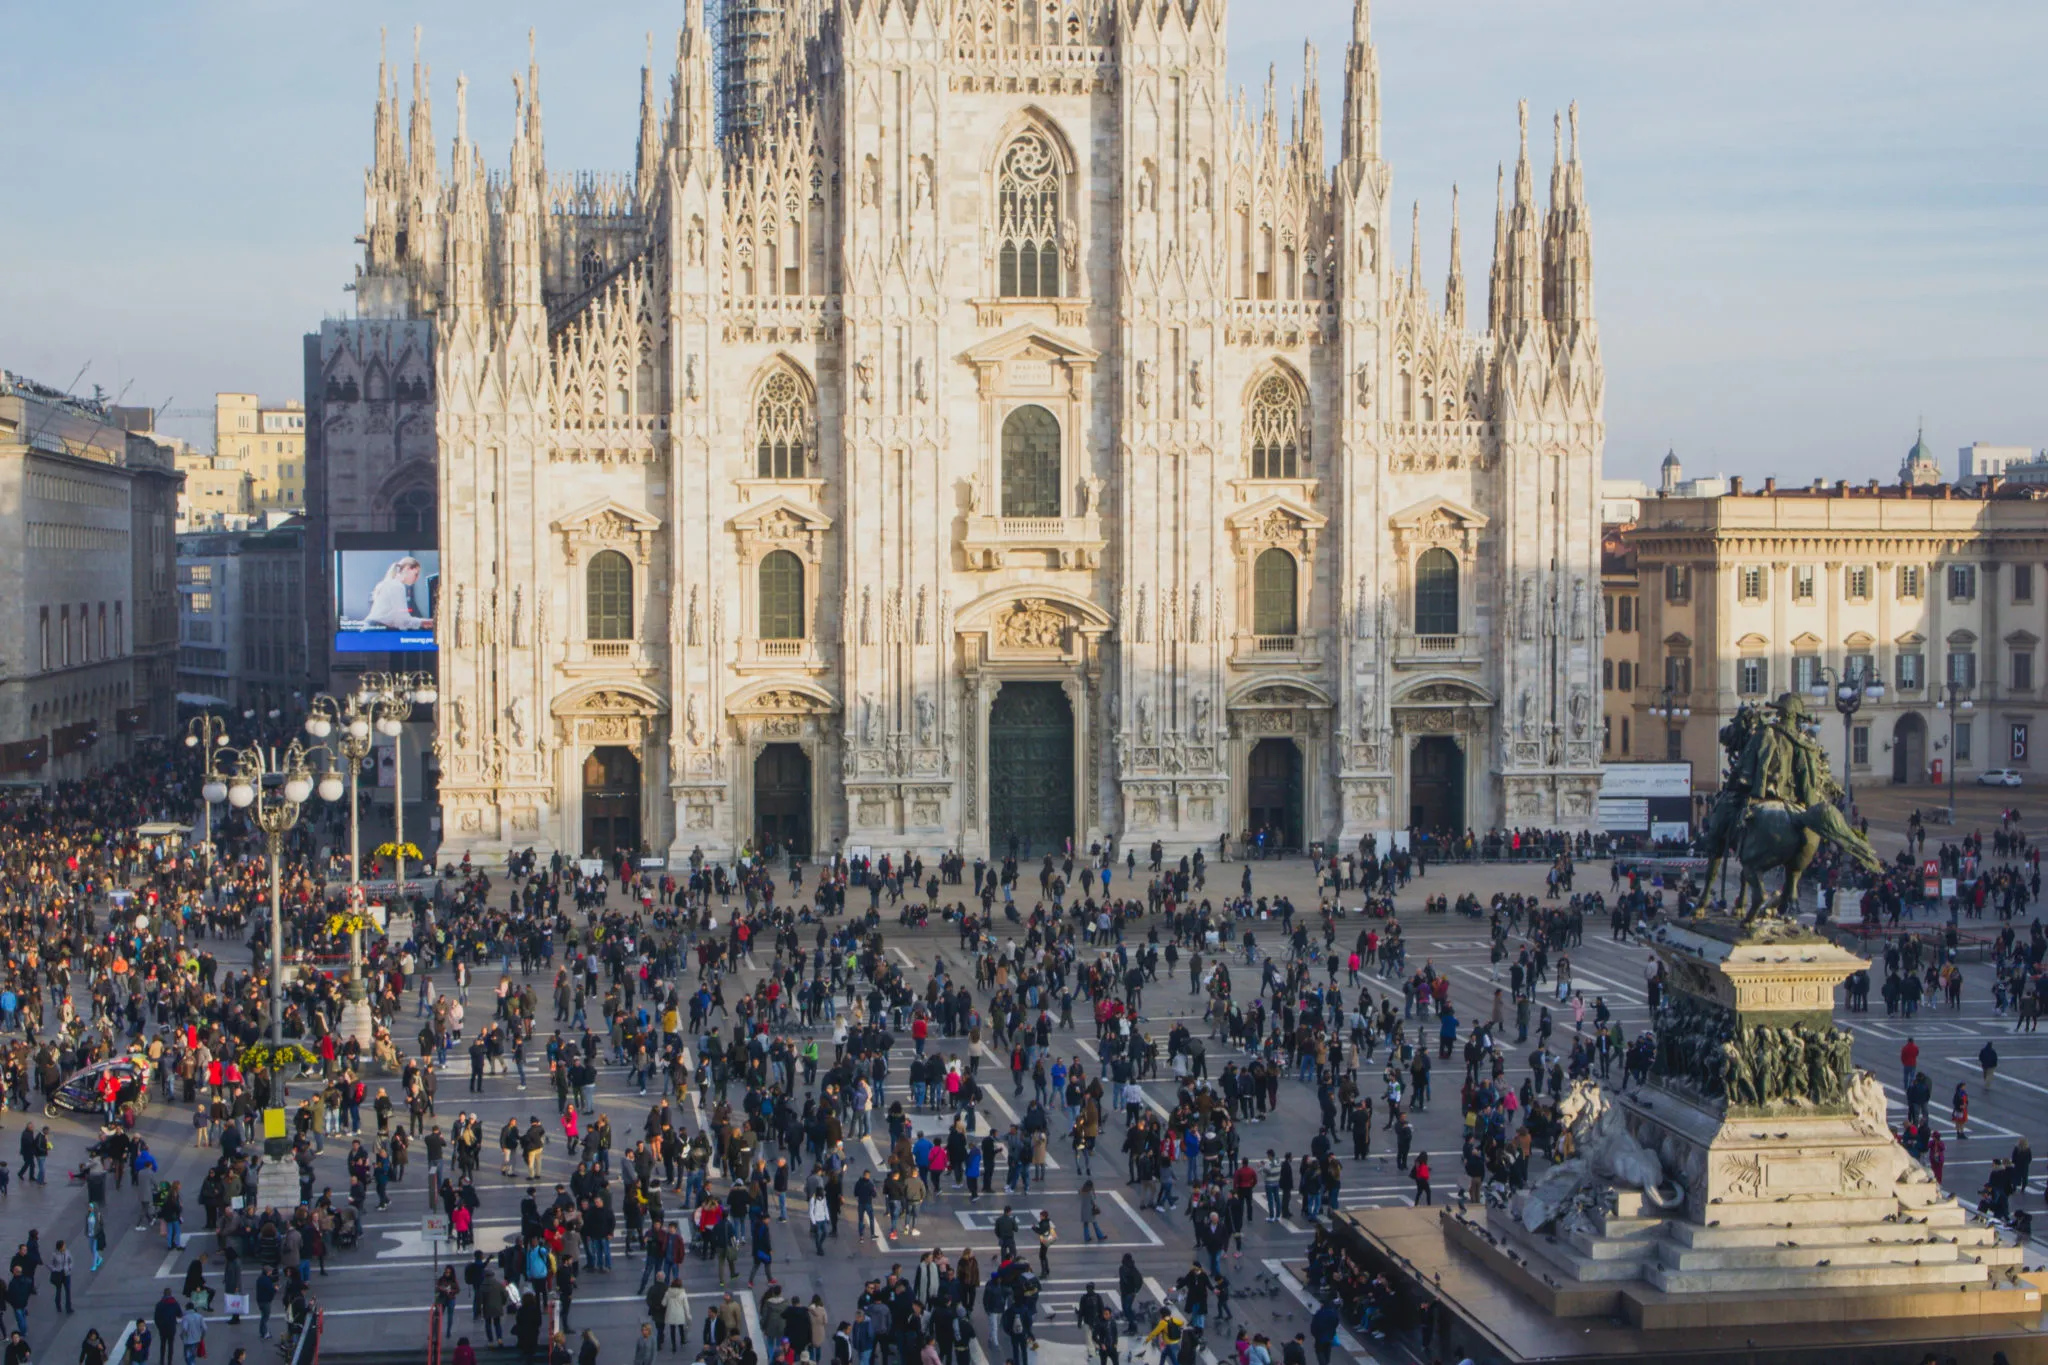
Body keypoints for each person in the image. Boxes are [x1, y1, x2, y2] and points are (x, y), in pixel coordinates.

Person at [365, 556, 434, 630]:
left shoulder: (390, 583)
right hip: (378, 630)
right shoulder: (397, 586)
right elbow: (402, 620)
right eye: (416, 574)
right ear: (407, 569)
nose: (417, 578)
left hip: (373, 629)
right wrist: (426, 622)